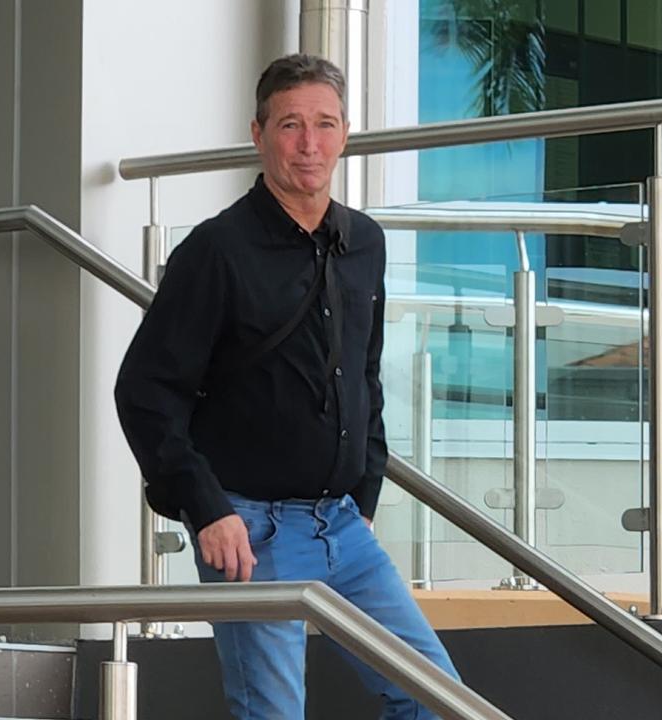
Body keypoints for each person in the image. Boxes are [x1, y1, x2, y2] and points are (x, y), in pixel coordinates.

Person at [115, 53, 458, 719]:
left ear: (346, 133)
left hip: (343, 527)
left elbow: (363, 371)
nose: (310, 143)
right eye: (291, 125)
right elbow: (145, 388)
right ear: (258, 133)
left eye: (325, 124)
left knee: (438, 703)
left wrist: (365, 486)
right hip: (250, 532)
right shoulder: (216, 251)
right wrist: (206, 507)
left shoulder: (365, 243)